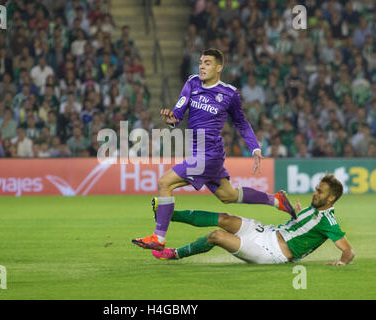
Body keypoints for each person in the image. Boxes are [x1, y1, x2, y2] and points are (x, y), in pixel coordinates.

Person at [132, 48, 295, 251]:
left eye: (207, 63)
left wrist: (255, 148)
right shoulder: (192, 83)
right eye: (200, 62)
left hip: (209, 155)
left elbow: (241, 123)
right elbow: (178, 114)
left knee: (165, 182)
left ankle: (159, 237)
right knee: (229, 196)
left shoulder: (229, 93)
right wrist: (170, 119)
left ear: (219, 67)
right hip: (201, 153)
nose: (202, 66)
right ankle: (275, 200)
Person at [152, 174, 354, 266]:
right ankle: (166, 213)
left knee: (217, 236)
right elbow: (303, 227)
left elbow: (348, 250)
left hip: (272, 252)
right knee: (224, 218)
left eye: (320, 191)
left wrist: (341, 263)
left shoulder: (329, 221)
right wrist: (297, 213)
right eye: (316, 188)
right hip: (268, 232)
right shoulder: (315, 207)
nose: (314, 193)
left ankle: (174, 254)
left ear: (331, 198)